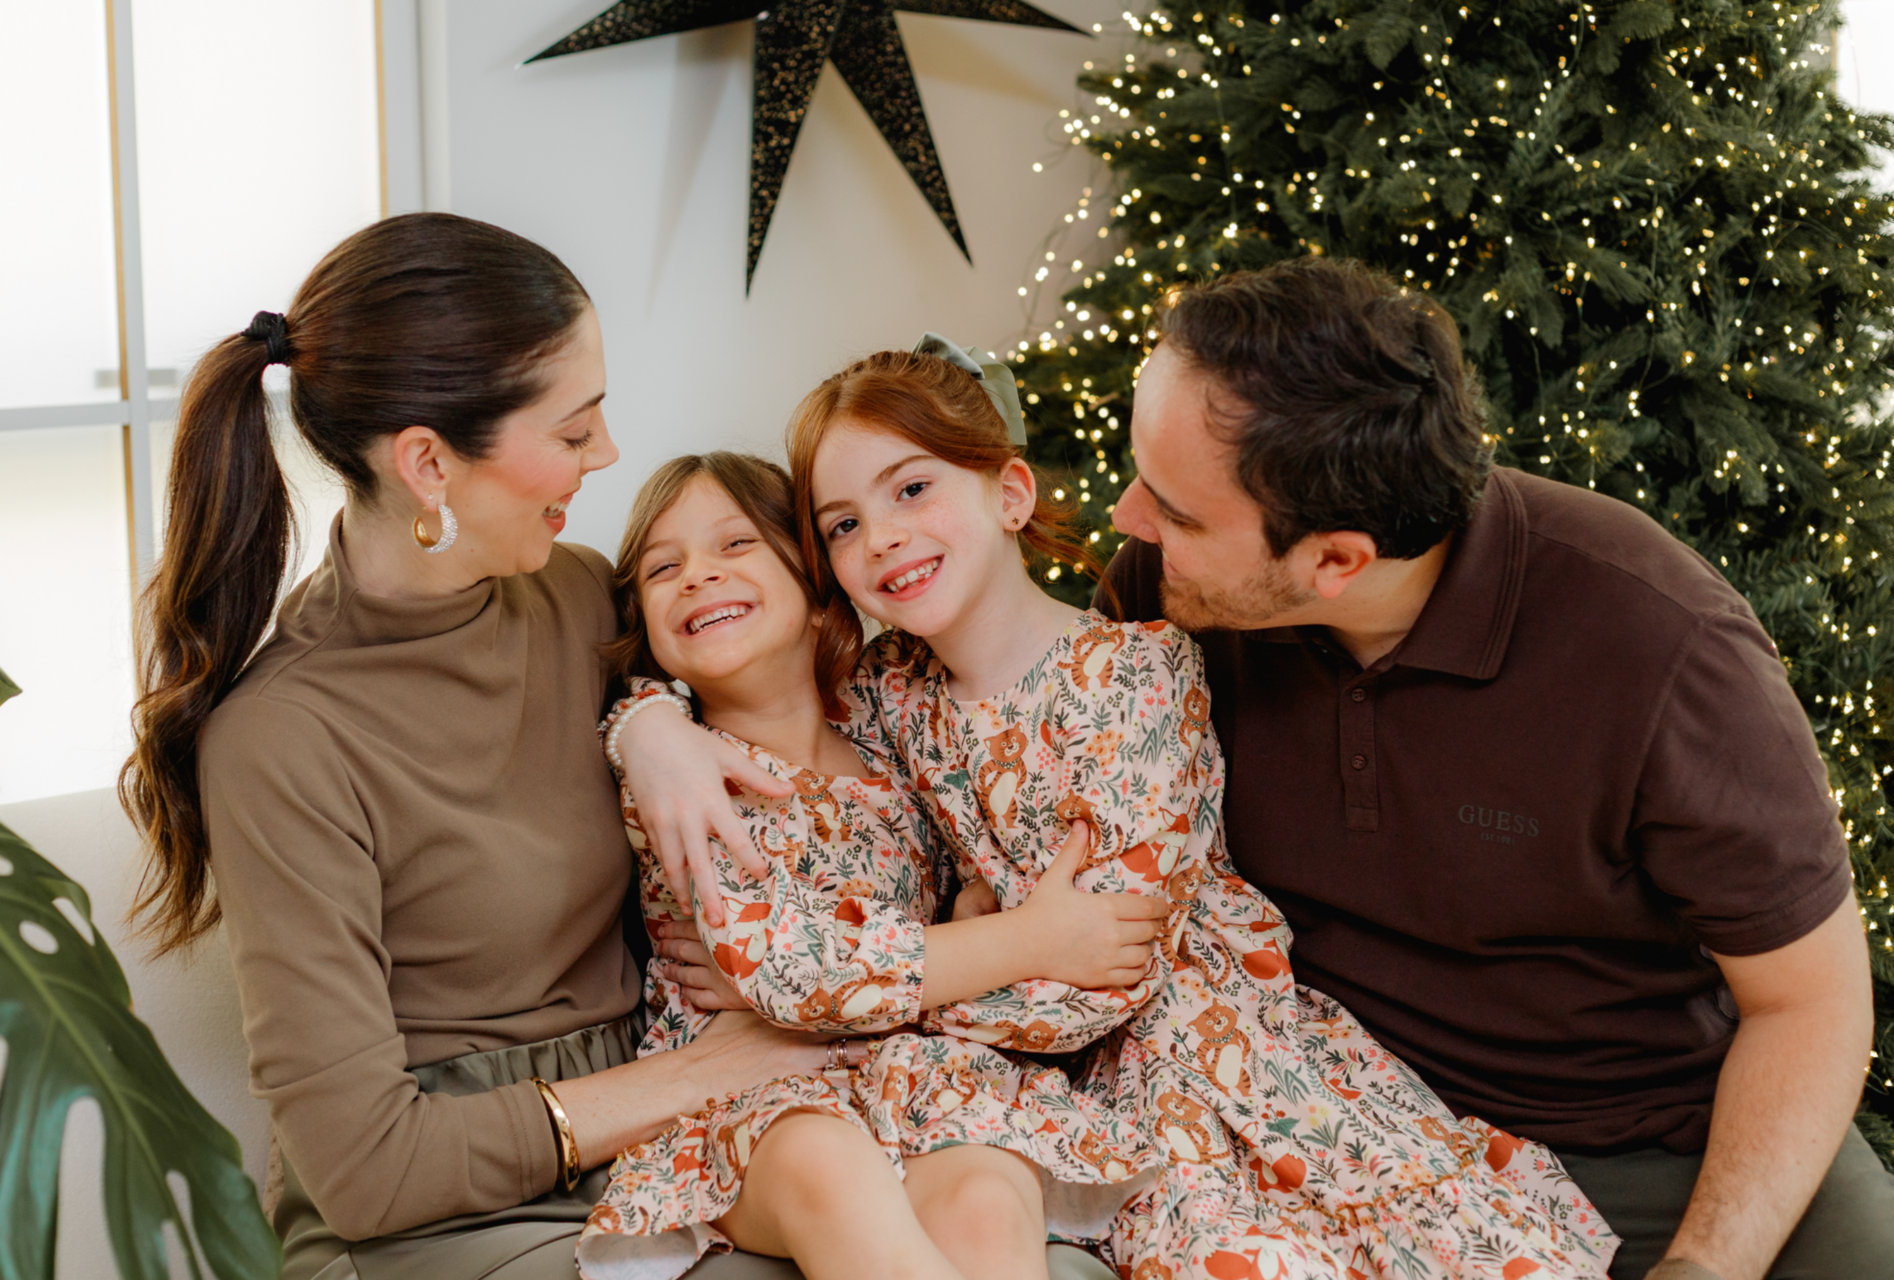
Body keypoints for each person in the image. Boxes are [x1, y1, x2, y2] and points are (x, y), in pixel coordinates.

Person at [617, 340, 1619, 1278]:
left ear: (1011, 491)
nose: (881, 538)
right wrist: (648, 726)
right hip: (1066, 1081)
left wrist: (859, 997)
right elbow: (777, 732)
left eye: (913, 489)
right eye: (841, 524)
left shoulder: (1138, 673)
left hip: (1208, 1042)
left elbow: (1111, 964)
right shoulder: (887, 690)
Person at [1092, 259, 1894, 1280]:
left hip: (1650, 1144)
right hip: (1328, 1120)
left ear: (1336, 561)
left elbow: (1813, 999)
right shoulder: (1168, 598)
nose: (1129, 518)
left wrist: (1707, 1264)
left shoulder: (1662, 646)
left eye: (1174, 511)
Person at [118, 213, 844, 1280]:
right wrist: (714, 1070)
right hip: (432, 1216)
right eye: (573, 427)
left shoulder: (578, 595)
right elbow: (370, 1169)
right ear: (428, 464)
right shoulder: (280, 739)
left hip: (660, 1146)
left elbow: (782, 694)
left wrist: (651, 722)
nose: (606, 453)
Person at [575, 452, 1158, 1280]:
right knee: (831, 1170)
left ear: (820, 601)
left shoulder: (887, 732)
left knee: (989, 1196)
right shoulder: (683, 775)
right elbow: (791, 971)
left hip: (917, 1073)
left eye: (734, 546)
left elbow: (976, 860)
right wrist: (644, 721)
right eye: (663, 568)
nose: (698, 577)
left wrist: (971, 915)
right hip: (752, 1090)